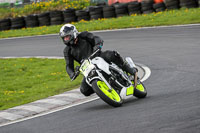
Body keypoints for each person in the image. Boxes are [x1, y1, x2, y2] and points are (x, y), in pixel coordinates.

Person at [59, 24, 137, 96]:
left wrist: (97, 45)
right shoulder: (67, 51)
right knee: (84, 90)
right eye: (64, 38)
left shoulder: (83, 35)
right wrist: (72, 74)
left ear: (73, 33)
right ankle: (102, 88)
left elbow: (95, 38)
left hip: (98, 56)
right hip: (88, 67)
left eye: (67, 37)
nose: (66, 39)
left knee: (111, 55)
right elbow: (68, 65)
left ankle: (128, 68)